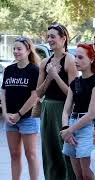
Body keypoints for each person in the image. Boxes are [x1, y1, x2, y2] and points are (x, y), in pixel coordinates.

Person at [36, 22, 77, 180]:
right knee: (49, 151)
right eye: (48, 37)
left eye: (53, 36)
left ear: (63, 39)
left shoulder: (70, 60)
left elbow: (72, 93)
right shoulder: (44, 62)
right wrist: (49, 76)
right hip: (46, 109)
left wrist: (56, 76)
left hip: (63, 110)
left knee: (64, 152)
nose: (49, 39)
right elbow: (38, 93)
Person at [60, 43, 95, 180]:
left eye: (80, 57)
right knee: (78, 175)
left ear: (92, 59)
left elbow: (92, 113)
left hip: (88, 128)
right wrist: (66, 128)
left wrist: (69, 130)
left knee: (88, 175)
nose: (76, 60)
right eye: (75, 57)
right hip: (72, 125)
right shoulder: (75, 83)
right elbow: (66, 111)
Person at [1, 36, 40, 180]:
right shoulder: (9, 70)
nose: (16, 52)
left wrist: (19, 114)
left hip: (27, 118)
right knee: (14, 154)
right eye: (14, 49)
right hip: (10, 119)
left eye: (19, 49)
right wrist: (5, 113)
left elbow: (34, 96)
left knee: (30, 154)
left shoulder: (34, 70)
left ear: (28, 50)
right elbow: (3, 92)